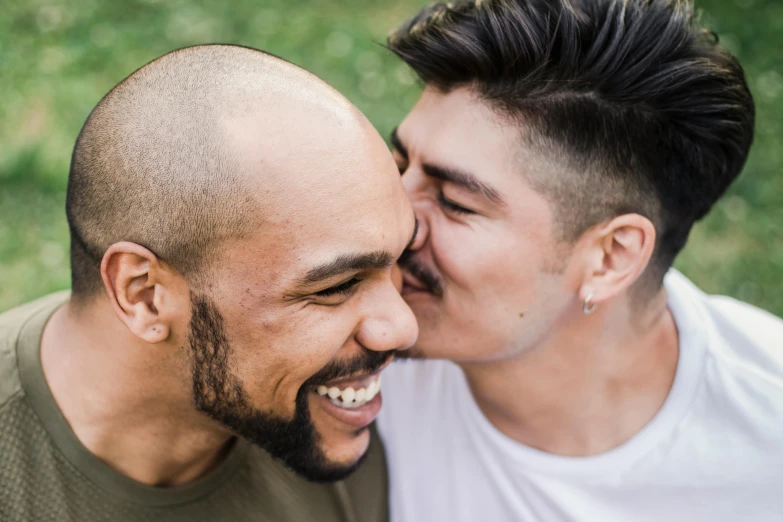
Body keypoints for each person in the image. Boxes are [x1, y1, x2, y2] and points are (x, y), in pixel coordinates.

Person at [377, 0, 783, 520]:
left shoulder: (767, 444)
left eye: (455, 201)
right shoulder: (339, 354)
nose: (388, 220)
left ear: (611, 257)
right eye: (400, 163)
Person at [0, 44, 418, 521]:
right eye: (335, 287)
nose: (403, 328)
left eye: (401, 255)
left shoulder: (347, 427)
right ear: (145, 296)